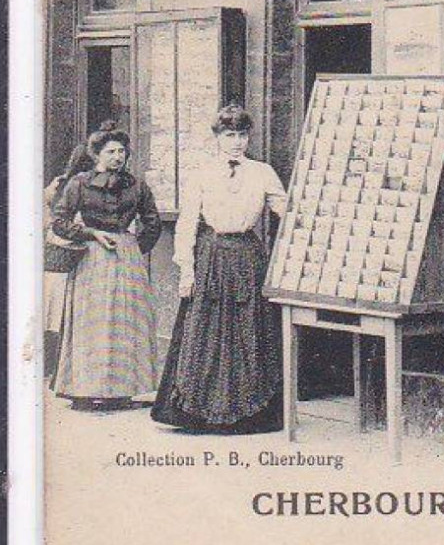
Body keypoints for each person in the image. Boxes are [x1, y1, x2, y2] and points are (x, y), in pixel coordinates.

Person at [152, 105, 288, 433]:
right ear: (217, 137)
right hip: (210, 255)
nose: (237, 142)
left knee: (249, 328)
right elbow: (186, 223)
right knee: (205, 330)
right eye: (230, 135)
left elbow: (285, 209)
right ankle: (198, 412)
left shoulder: (262, 171)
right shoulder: (202, 172)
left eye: (242, 134)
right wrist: (186, 270)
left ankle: (250, 413)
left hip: (246, 255)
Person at [50, 124, 163, 410]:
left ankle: (123, 391)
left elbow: (152, 222)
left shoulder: (136, 184)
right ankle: (85, 390)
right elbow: (60, 221)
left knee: (126, 322)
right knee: (93, 322)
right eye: (111, 151)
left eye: (122, 151)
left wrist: (134, 248)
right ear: (97, 154)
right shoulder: (79, 183)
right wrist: (90, 235)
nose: (117, 157)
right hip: (91, 258)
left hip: (126, 259)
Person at [42, 143, 94, 381]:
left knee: (58, 318)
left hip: (60, 260)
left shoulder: (58, 185)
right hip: (70, 258)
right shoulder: (68, 187)